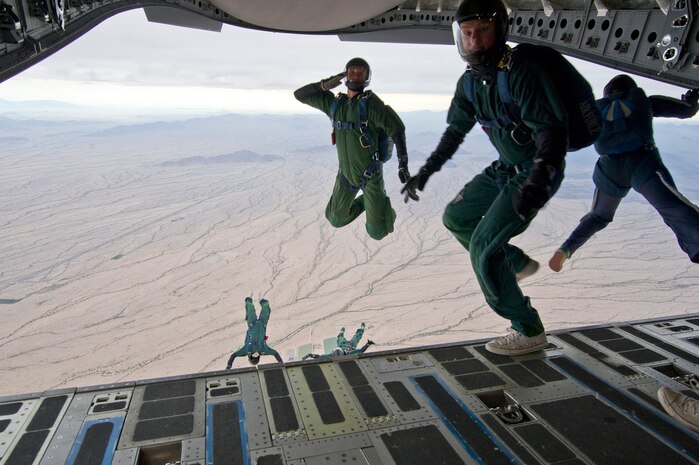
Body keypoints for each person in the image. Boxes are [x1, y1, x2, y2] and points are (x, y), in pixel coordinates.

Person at [401, 0, 575, 356]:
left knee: (482, 244)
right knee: (456, 217)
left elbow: (551, 133)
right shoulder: (470, 84)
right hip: (506, 168)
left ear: (499, 31)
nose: (475, 41)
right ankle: (513, 262)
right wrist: (426, 171)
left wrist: (538, 181)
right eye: (467, 33)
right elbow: (455, 132)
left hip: (535, 170)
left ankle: (528, 328)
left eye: (482, 31)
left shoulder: (521, 73)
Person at [549, 75, 699, 272]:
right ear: (630, 89)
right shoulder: (643, 101)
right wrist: (692, 98)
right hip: (642, 165)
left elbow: (572, 141)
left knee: (598, 216)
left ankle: (566, 249)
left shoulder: (594, 112)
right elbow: (686, 111)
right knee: (673, 207)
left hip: (610, 168)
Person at [294, 58, 416, 240]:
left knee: (377, 232)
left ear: (366, 78)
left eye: (361, 73)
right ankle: (369, 203)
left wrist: (403, 166)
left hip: (370, 175)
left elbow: (397, 129)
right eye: (352, 72)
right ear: (345, 74)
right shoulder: (335, 105)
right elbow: (299, 95)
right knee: (335, 219)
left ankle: (380, 205)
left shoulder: (372, 105)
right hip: (345, 175)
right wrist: (324, 85)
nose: (356, 76)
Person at [225, 297, 283, 368]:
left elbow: (233, 356)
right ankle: (262, 301)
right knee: (265, 307)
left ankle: (249, 300)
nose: (255, 356)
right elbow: (275, 353)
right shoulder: (264, 350)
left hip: (252, 324)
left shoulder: (246, 350)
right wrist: (281, 364)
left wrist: (228, 367)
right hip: (262, 324)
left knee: (250, 307)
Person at [302, 322, 374, 359]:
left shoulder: (332, 355)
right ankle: (362, 328)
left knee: (340, 338)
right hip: (351, 345)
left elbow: (320, 356)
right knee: (357, 336)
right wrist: (368, 344)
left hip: (342, 344)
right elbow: (361, 351)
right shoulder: (349, 353)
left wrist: (310, 355)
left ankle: (341, 332)